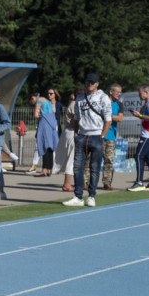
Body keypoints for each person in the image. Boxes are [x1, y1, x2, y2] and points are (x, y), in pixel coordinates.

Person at [64, 73, 111, 208]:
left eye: (92, 82)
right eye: (87, 82)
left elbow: (108, 119)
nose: (89, 84)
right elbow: (76, 118)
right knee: (77, 167)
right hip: (82, 136)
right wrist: (76, 133)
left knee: (94, 168)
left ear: (97, 84)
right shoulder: (79, 98)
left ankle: (91, 196)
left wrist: (102, 135)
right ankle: (78, 196)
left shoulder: (103, 97)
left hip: (96, 136)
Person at [128, 85, 149, 192]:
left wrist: (140, 116)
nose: (139, 95)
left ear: (146, 93)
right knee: (148, 158)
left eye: (140, 93)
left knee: (138, 155)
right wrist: (140, 112)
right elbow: (143, 114)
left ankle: (139, 182)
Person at [33, 88, 60, 178]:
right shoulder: (49, 102)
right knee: (50, 146)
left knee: (44, 145)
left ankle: (44, 169)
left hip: (44, 123)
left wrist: (38, 114)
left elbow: (36, 114)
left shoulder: (39, 101)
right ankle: (49, 169)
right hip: (52, 123)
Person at [101, 84, 123, 190]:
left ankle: (107, 182)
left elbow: (119, 118)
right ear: (111, 92)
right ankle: (87, 182)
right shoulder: (102, 102)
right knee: (91, 160)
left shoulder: (119, 104)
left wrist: (107, 115)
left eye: (120, 92)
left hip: (111, 136)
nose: (119, 94)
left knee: (109, 160)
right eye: (117, 92)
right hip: (98, 135)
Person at [56, 89, 79, 191]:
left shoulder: (74, 104)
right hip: (72, 131)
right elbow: (76, 120)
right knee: (71, 158)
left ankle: (69, 183)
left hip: (69, 131)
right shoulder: (75, 104)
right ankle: (67, 184)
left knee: (70, 158)